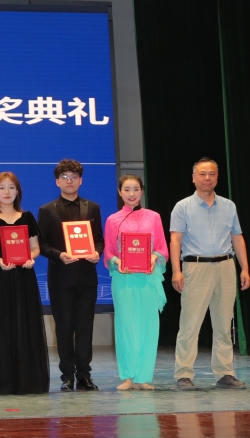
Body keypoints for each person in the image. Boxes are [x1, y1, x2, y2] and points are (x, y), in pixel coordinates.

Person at [171, 157, 250, 390]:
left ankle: (225, 373)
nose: (207, 178)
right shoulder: (182, 206)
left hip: (226, 266)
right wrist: (176, 270)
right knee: (190, 324)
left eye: (212, 174)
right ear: (193, 178)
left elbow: (237, 237)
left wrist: (245, 268)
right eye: (202, 174)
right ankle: (183, 373)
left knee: (224, 324)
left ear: (217, 177)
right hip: (196, 267)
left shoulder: (229, 206)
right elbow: (175, 240)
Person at [0, 172, 49, 395]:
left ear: (18, 192)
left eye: (11, 187)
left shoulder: (27, 217)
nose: (7, 192)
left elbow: (35, 247)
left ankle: (26, 380)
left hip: (23, 277)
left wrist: (31, 258)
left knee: (24, 324)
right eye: (2, 188)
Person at [37, 158, 104, 392]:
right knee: (64, 328)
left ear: (81, 180)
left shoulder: (92, 207)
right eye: (64, 177)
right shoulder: (47, 210)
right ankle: (67, 376)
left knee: (85, 327)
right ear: (57, 182)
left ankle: (85, 375)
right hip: (61, 277)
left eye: (74, 177)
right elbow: (41, 244)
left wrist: (97, 252)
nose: (69, 181)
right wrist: (59, 255)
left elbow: (99, 239)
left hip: (87, 277)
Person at [103, 174, 167, 391]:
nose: (132, 194)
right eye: (127, 189)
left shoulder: (154, 217)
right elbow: (109, 251)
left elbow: (161, 247)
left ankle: (143, 377)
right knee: (126, 326)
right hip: (124, 279)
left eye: (136, 189)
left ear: (142, 191)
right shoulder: (113, 220)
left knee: (149, 325)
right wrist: (118, 262)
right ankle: (128, 376)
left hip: (148, 278)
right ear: (119, 192)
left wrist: (154, 257)